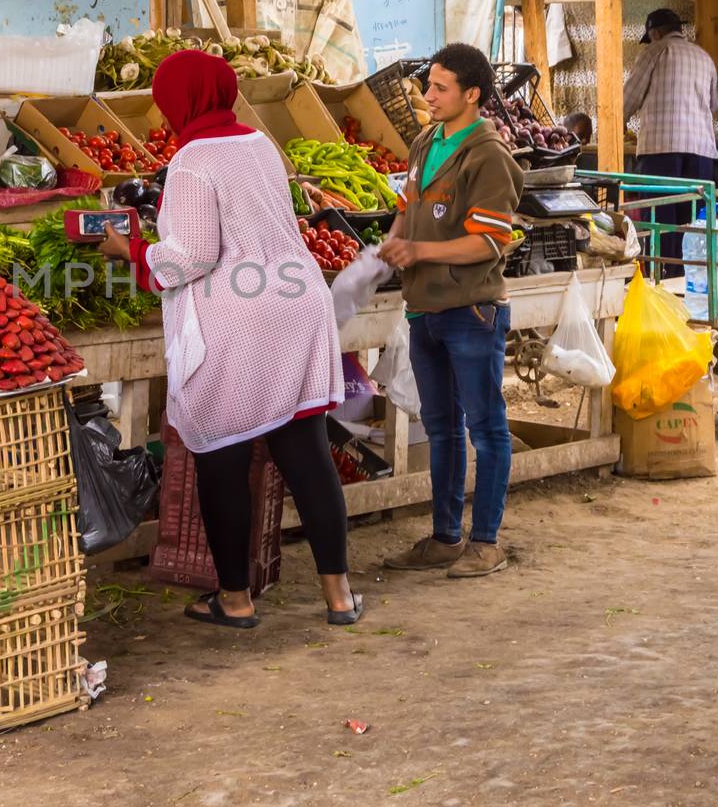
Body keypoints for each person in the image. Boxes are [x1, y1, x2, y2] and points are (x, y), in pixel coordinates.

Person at [98, 49, 360, 629]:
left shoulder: (192, 161)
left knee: (223, 454)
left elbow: (193, 254)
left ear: (178, 101)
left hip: (241, 317)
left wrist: (132, 251)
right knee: (307, 454)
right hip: (299, 302)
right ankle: (340, 597)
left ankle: (236, 600)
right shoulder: (259, 142)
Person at [379, 43, 524, 578]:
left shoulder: (489, 156)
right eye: (429, 84)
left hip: (471, 312)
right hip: (424, 311)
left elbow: (488, 243)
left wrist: (419, 251)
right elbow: (405, 207)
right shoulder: (424, 142)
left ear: (472, 95)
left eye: (440, 88)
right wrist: (390, 246)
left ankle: (486, 541)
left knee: (487, 428)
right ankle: (444, 536)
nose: (428, 95)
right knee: (441, 426)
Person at [623, 8, 718, 269]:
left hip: (661, 149)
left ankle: (663, 278)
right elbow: (714, 104)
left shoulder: (655, 51)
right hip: (701, 150)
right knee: (693, 221)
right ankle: (692, 276)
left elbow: (629, 97)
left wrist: (617, 123)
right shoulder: (704, 57)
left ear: (654, 33)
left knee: (660, 219)